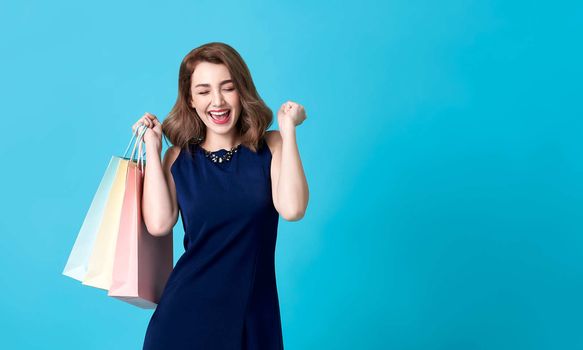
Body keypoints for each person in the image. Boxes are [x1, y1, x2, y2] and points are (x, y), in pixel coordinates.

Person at [135, 42, 309, 349]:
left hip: (252, 315)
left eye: (227, 88)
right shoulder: (177, 158)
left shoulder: (271, 146)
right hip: (183, 318)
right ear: (190, 99)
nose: (217, 101)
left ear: (242, 91)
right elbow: (159, 224)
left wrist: (288, 130)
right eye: (203, 91)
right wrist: (152, 146)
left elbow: (292, 209)